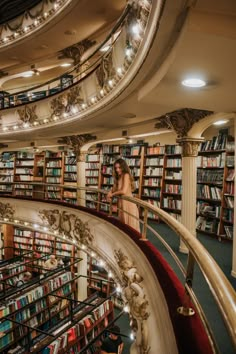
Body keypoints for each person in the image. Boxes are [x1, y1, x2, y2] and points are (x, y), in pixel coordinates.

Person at [107, 158, 140, 232]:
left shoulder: (126, 175)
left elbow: (124, 191)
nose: (117, 170)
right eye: (116, 168)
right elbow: (114, 189)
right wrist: (109, 193)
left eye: (119, 167)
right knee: (124, 227)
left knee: (131, 228)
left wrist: (112, 194)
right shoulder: (118, 177)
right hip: (122, 203)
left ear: (123, 167)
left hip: (129, 203)